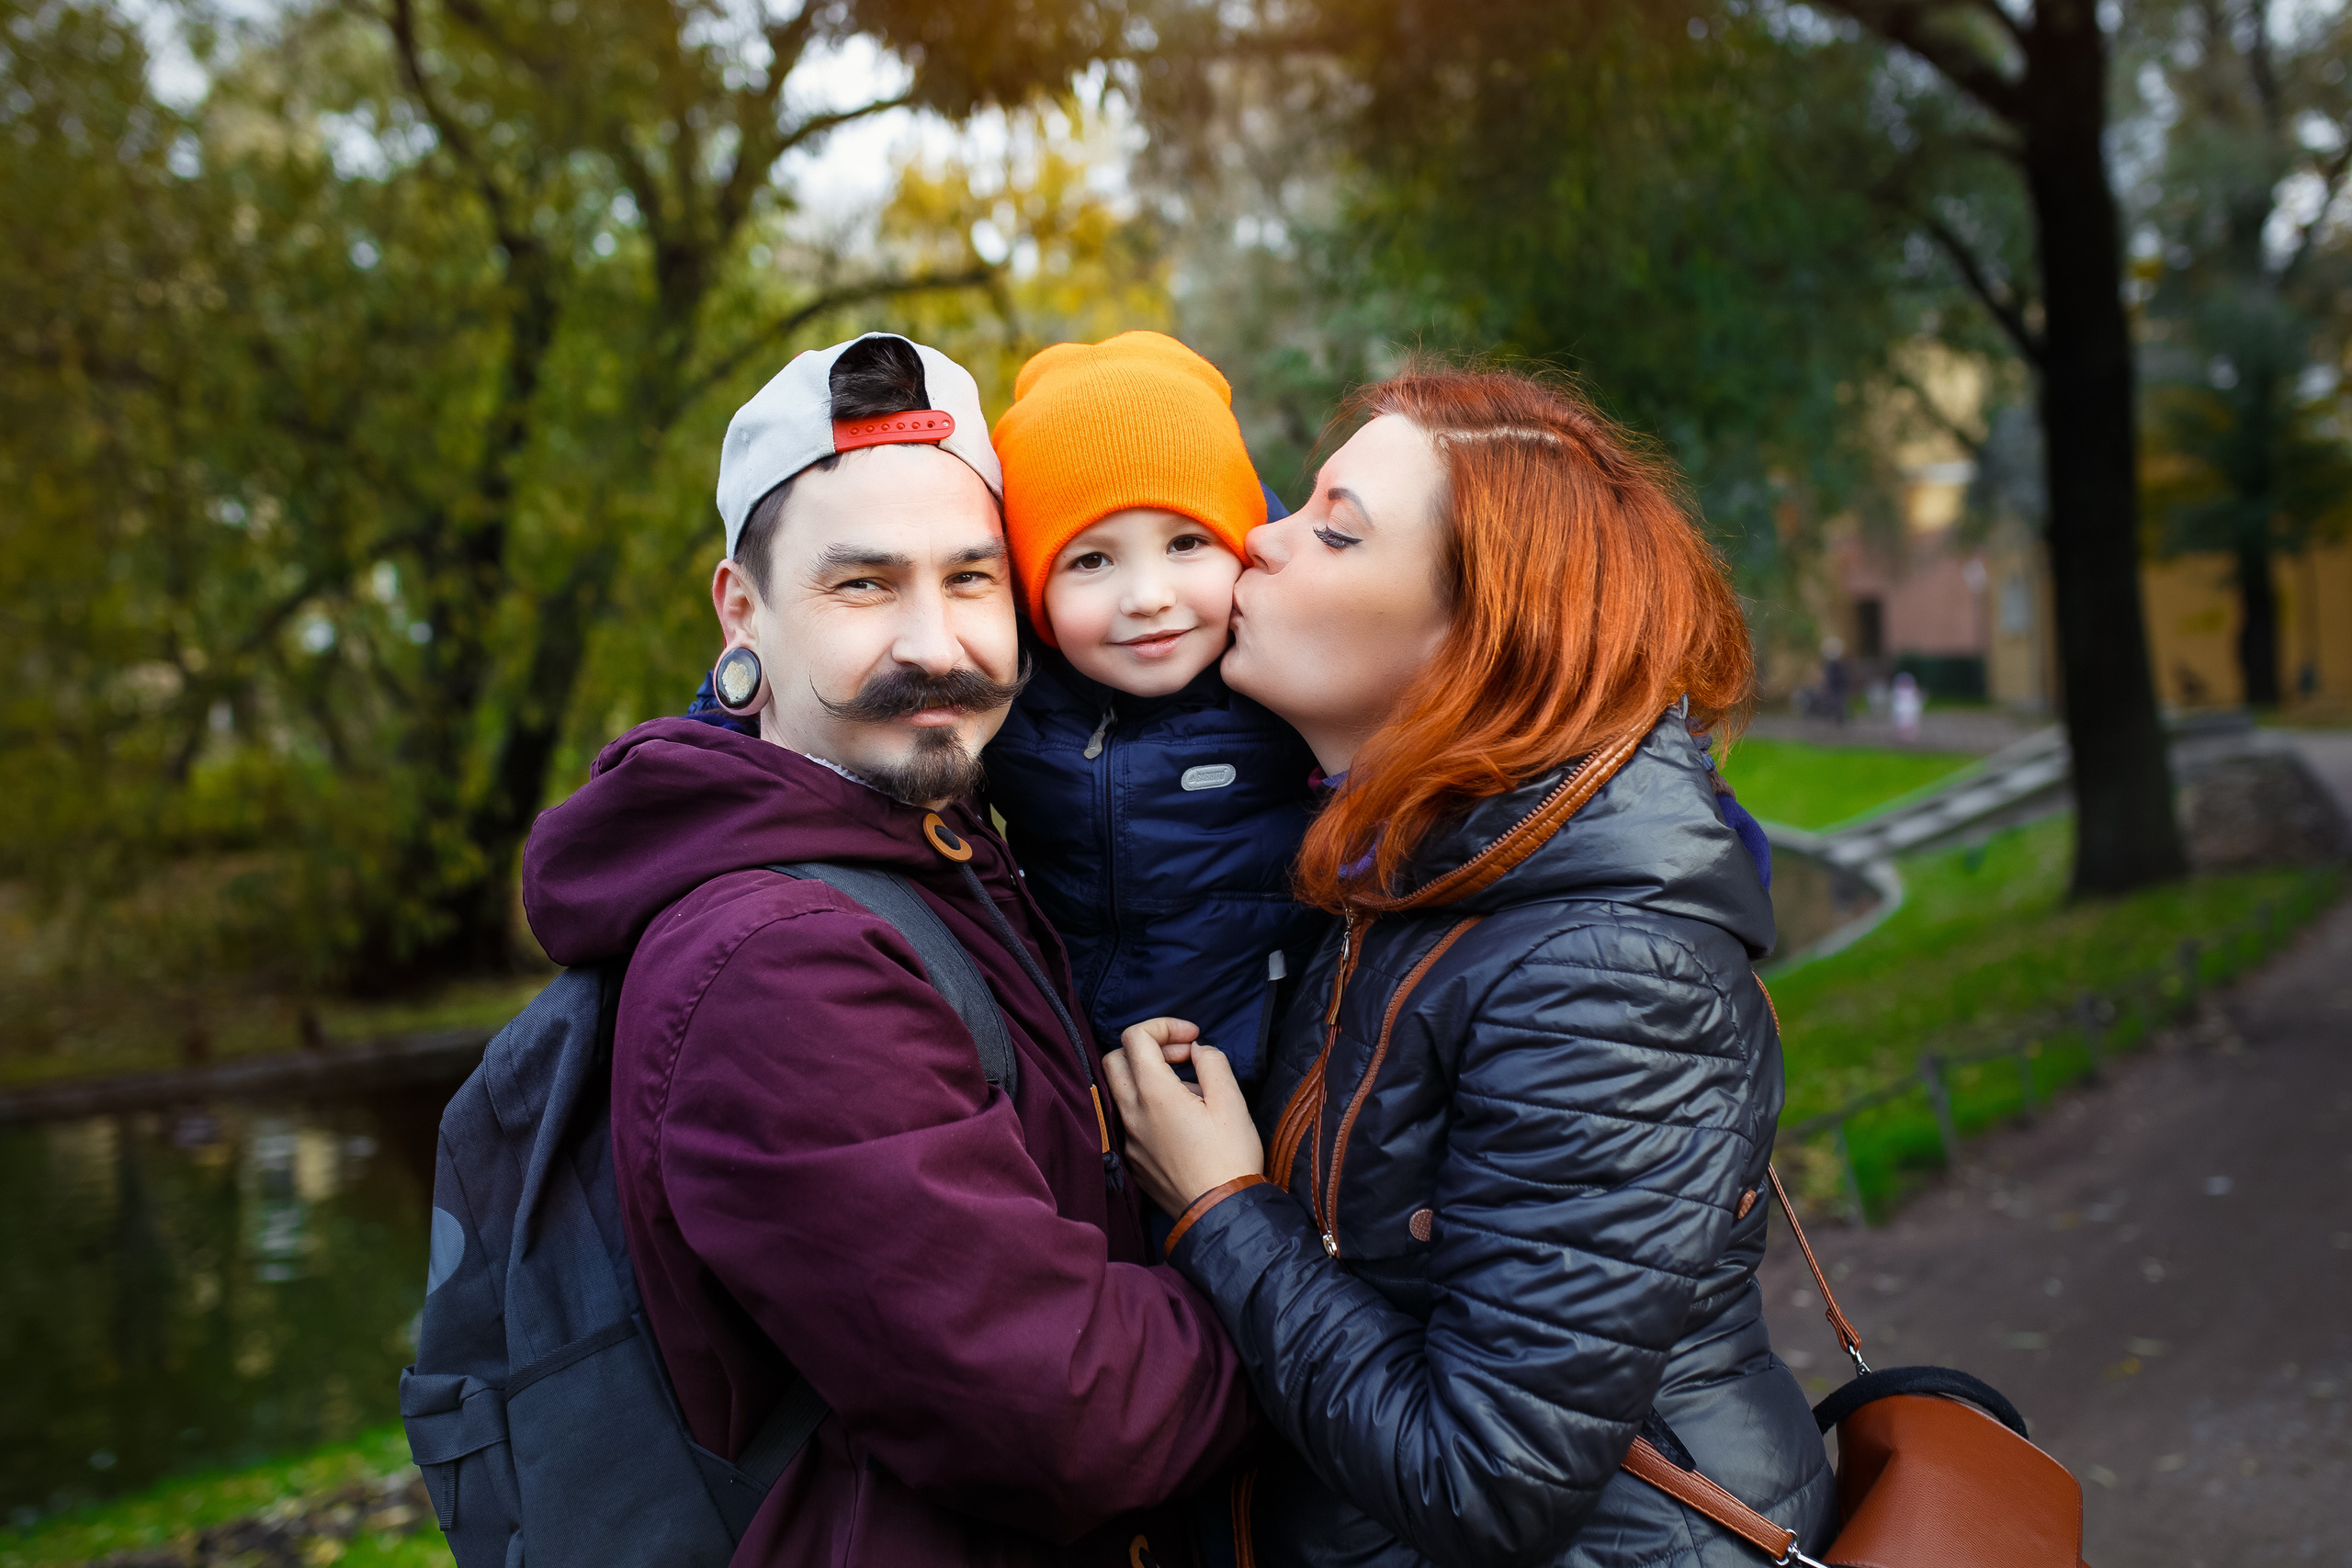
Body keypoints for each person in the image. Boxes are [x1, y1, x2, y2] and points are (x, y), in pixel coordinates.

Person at [520, 333, 1252, 1568]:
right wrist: (1295, 1266)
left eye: (971, 580)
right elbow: (1073, 1413)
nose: (936, 642)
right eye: (863, 585)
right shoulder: (776, 961)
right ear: (739, 609)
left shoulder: (941, 848)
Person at [1101, 365, 1838, 1567]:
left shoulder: (1606, 975)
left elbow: (1489, 1475)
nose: (1258, 542)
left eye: (1333, 528)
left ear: (1479, 634)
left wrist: (1222, 1207)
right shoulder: (1417, 880)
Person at [985, 332, 1330, 1087]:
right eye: (1091, 560)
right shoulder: (1011, 695)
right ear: (1030, 591)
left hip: (1278, 1084)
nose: (1147, 596)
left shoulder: (1302, 680)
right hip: (1080, 1083)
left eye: (1184, 543)